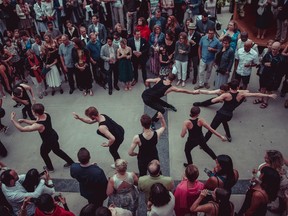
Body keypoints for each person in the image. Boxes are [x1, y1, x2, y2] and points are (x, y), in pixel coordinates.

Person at [204, 79, 277, 142]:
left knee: (211, 129)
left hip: (220, 114)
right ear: (238, 87)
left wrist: (220, 98)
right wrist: (269, 95)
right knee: (224, 122)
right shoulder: (241, 94)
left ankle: (203, 143)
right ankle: (229, 136)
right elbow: (255, 94)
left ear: (230, 87)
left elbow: (213, 101)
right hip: (229, 115)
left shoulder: (226, 95)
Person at [10, 103, 74, 172]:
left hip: (48, 141)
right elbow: (36, 121)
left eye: (33, 111)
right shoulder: (46, 114)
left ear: (36, 113)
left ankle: (50, 168)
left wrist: (13, 120)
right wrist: (24, 120)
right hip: (54, 135)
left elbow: (22, 129)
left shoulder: (39, 125)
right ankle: (71, 162)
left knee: (43, 153)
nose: (32, 111)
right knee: (57, 150)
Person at [254, 41, 285, 109]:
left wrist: (272, 65)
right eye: (272, 48)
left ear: (279, 49)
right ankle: (260, 99)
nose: (273, 50)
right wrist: (265, 63)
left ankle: (265, 102)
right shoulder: (268, 54)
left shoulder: (281, 58)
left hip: (272, 77)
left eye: (275, 49)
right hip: (264, 74)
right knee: (262, 88)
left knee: (268, 90)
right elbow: (263, 61)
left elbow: (280, 69)